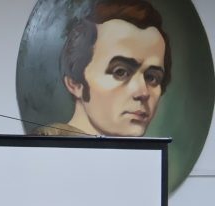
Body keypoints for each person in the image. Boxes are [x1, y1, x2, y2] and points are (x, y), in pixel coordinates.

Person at [35, 0, 171, 137]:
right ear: (75, 83)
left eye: (152, 77)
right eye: (120, 72)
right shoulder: (46, 144)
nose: (143, 92)